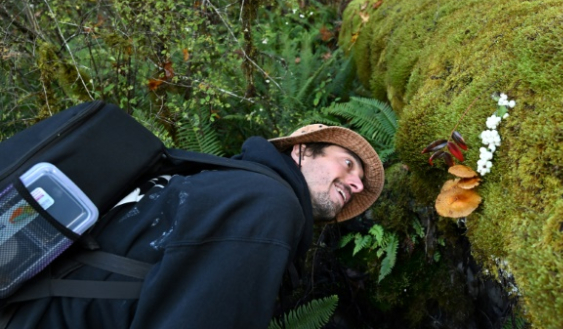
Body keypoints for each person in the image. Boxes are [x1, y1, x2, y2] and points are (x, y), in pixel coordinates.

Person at [2, 124, 384, 328]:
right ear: (301, 149)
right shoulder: (268, 205)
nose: (356, 184)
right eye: (348, 164)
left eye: (361, 184)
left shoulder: (215, 179)